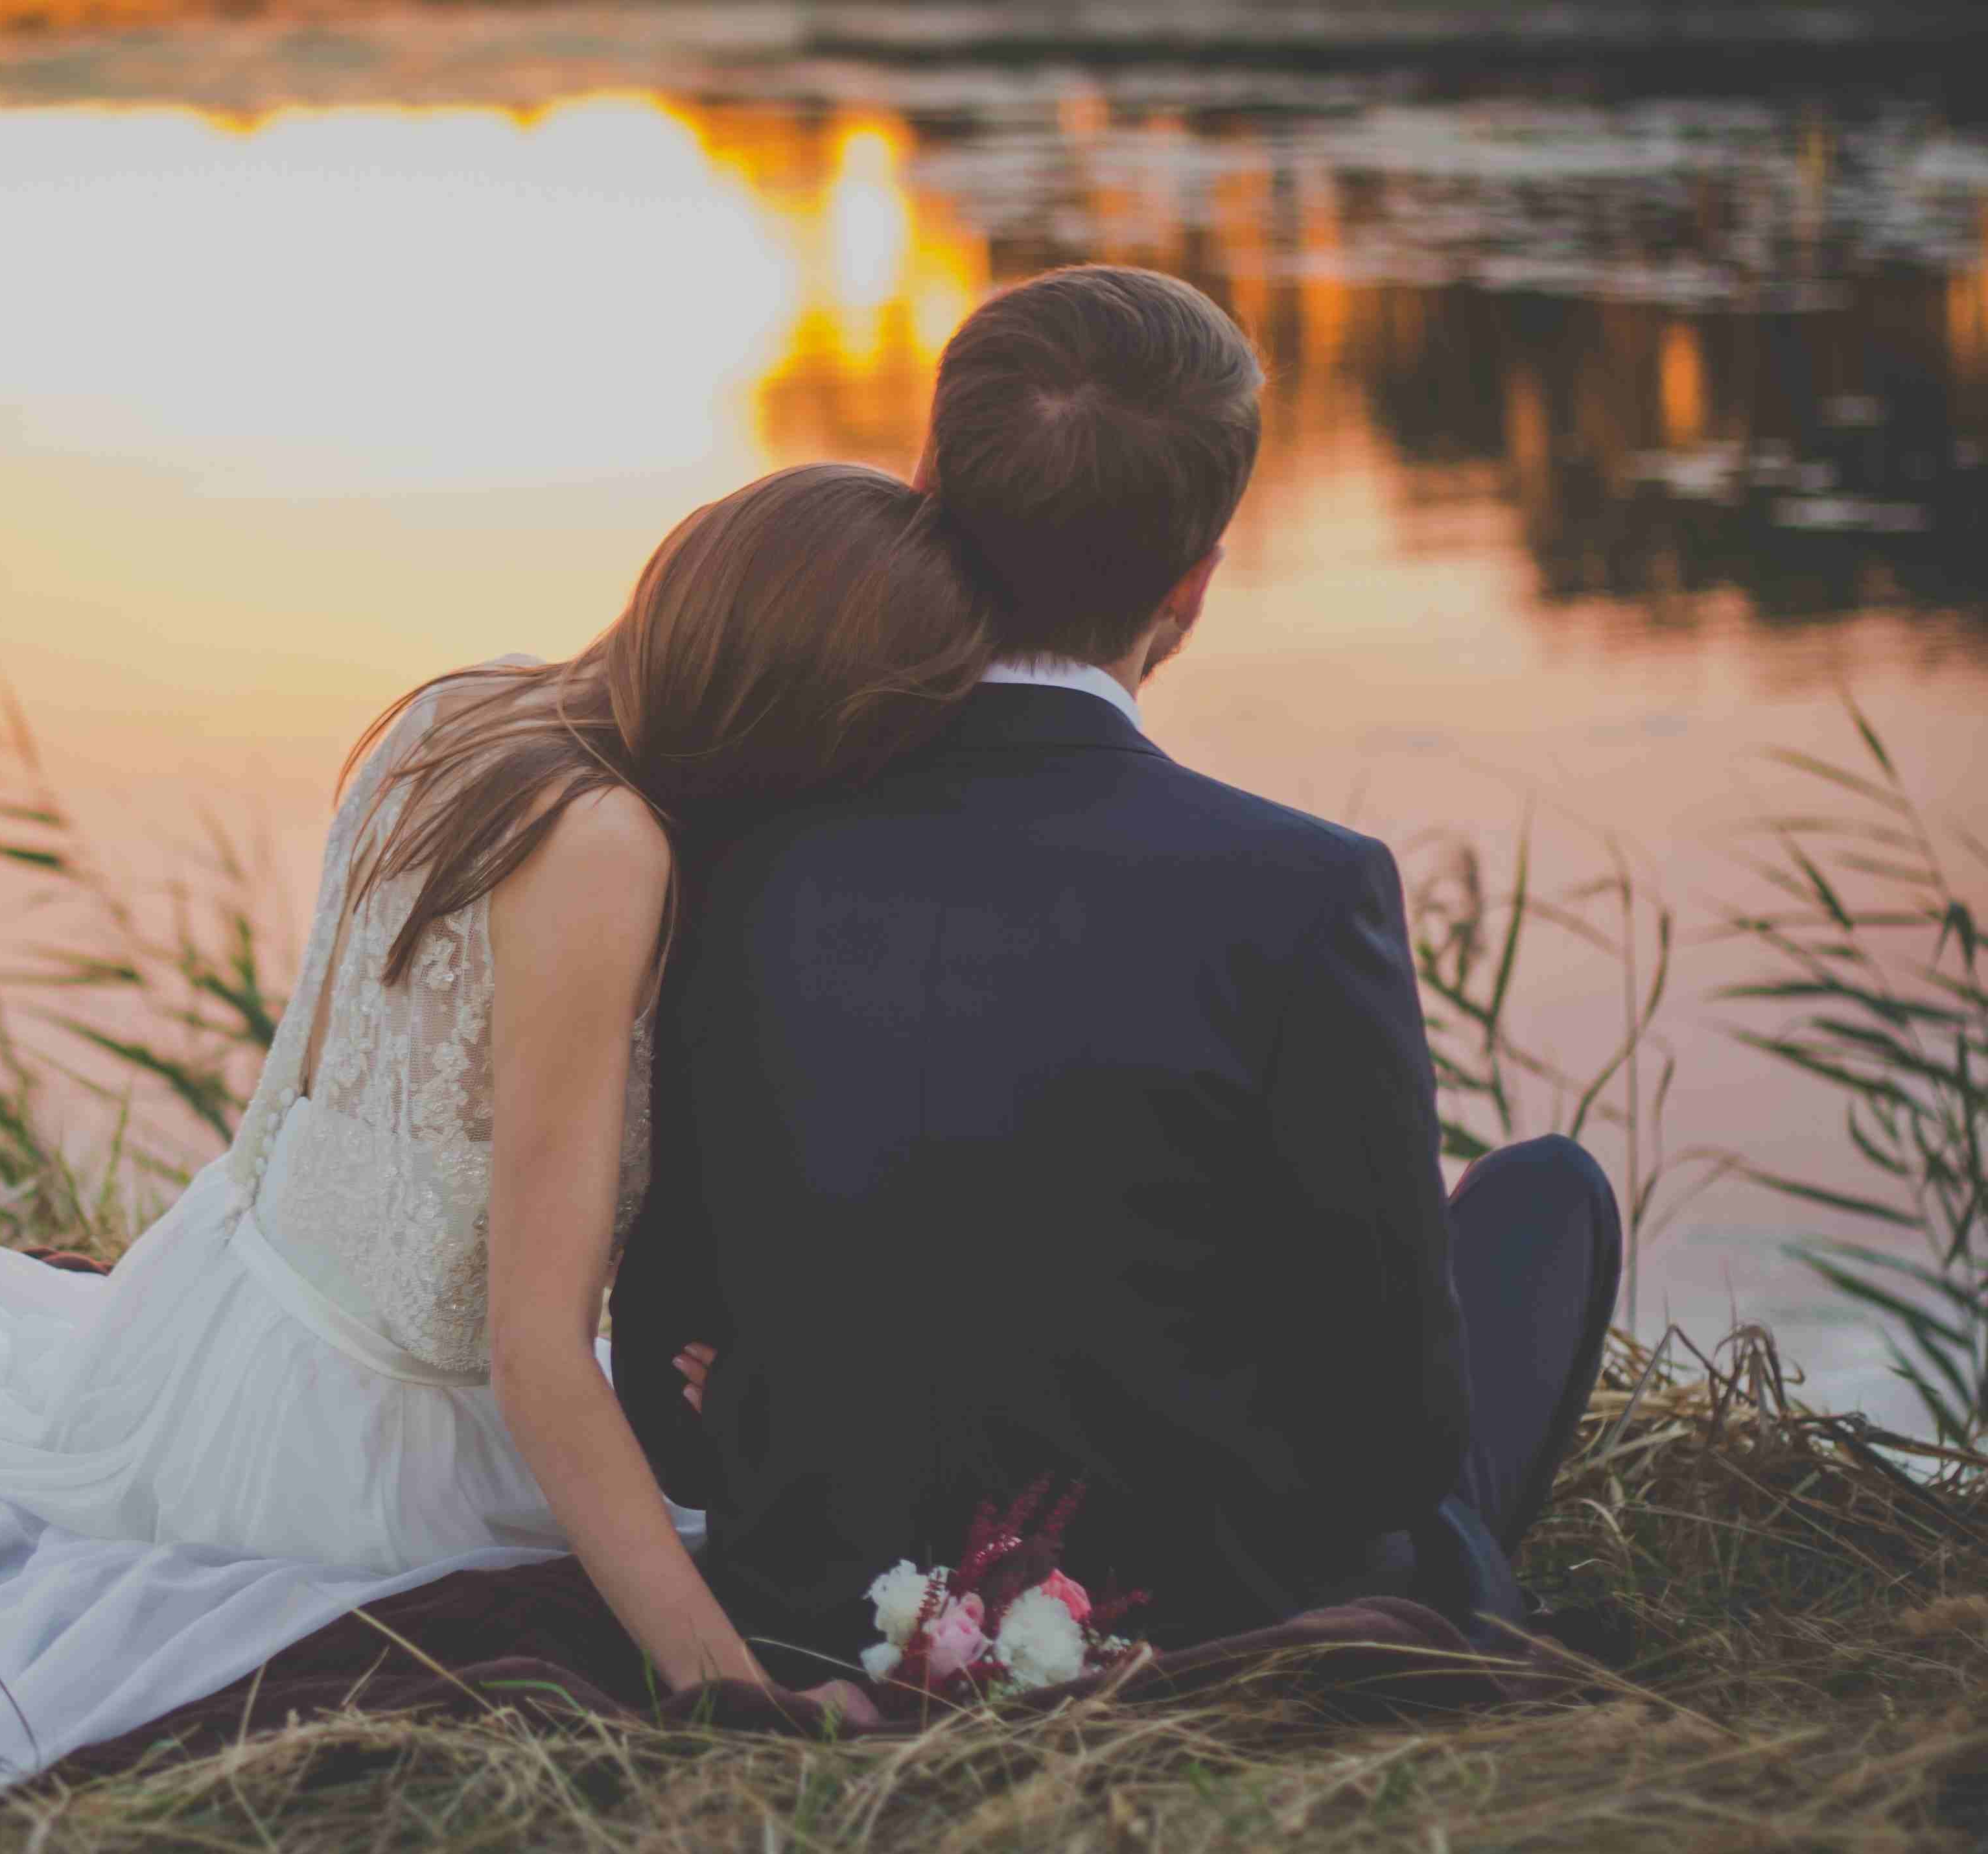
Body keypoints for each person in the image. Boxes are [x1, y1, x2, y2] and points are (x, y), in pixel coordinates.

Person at [0, 462, 992, 1846]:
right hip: (353, 1436)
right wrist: (725, 1693)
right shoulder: (608, 847)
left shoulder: (475, 708)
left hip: (217, 1306)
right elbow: (527, 1349)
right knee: (708, 1576)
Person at [612, 265, 1625, 1672]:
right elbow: (1395, 1439)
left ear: (930, 503)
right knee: (1546, 1206)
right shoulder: (1306, 893)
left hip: (823, 1587)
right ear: (1194, 584)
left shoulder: (736, 849)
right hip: (1195, 1601)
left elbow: (664, 1374)